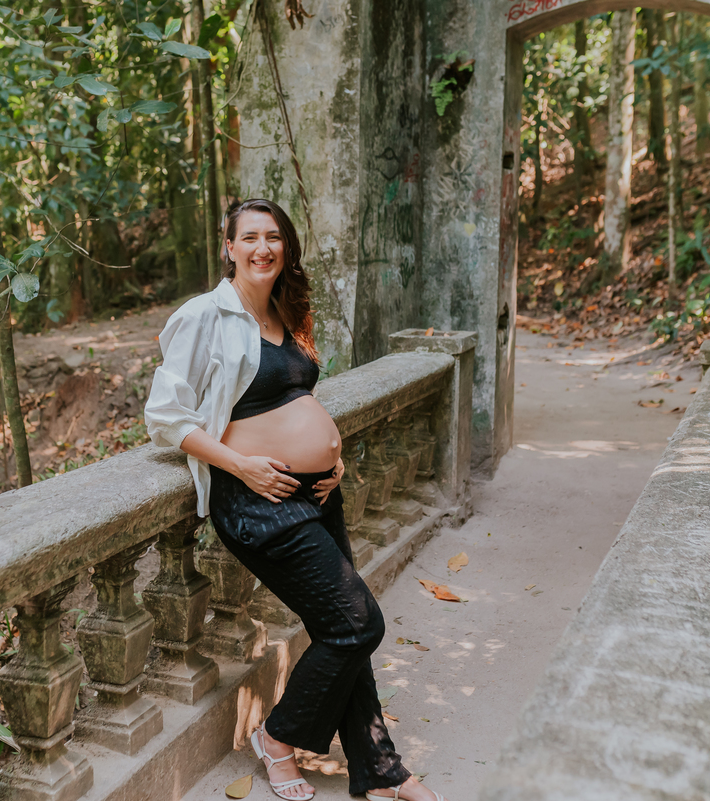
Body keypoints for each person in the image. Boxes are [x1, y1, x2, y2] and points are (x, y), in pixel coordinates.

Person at [145, 199, 446, 801]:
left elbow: (296, 397)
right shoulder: (204, 316)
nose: (263, 248)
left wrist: (329, 456)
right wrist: (243, 466)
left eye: (274, 238)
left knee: (339, 623)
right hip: (258, 499)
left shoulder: (287, 309)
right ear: (228, 247)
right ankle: (277, 739)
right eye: (250, 238)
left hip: (317, 494)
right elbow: (165, 417)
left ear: (287, 248)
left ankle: (381, 768)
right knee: (359, 622)